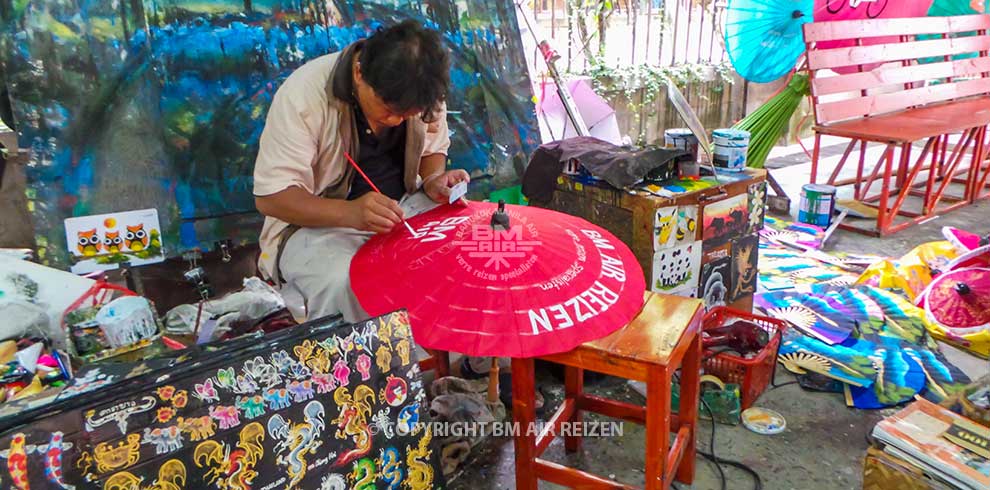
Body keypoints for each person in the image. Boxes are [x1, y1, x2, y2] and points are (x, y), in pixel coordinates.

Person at [253, 20, 469, 323]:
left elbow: (433, 149)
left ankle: (458, 355)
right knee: (348, 282)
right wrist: (352, 213)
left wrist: (434, 179)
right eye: (388, 109)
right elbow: (271, 198)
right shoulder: (304, 96)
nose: (395, 121)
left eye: (407, 115)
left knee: (469, 246)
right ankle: (389, 367)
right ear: (359, 73)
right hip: (318, 227)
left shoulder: (423, 90)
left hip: (402, 210)